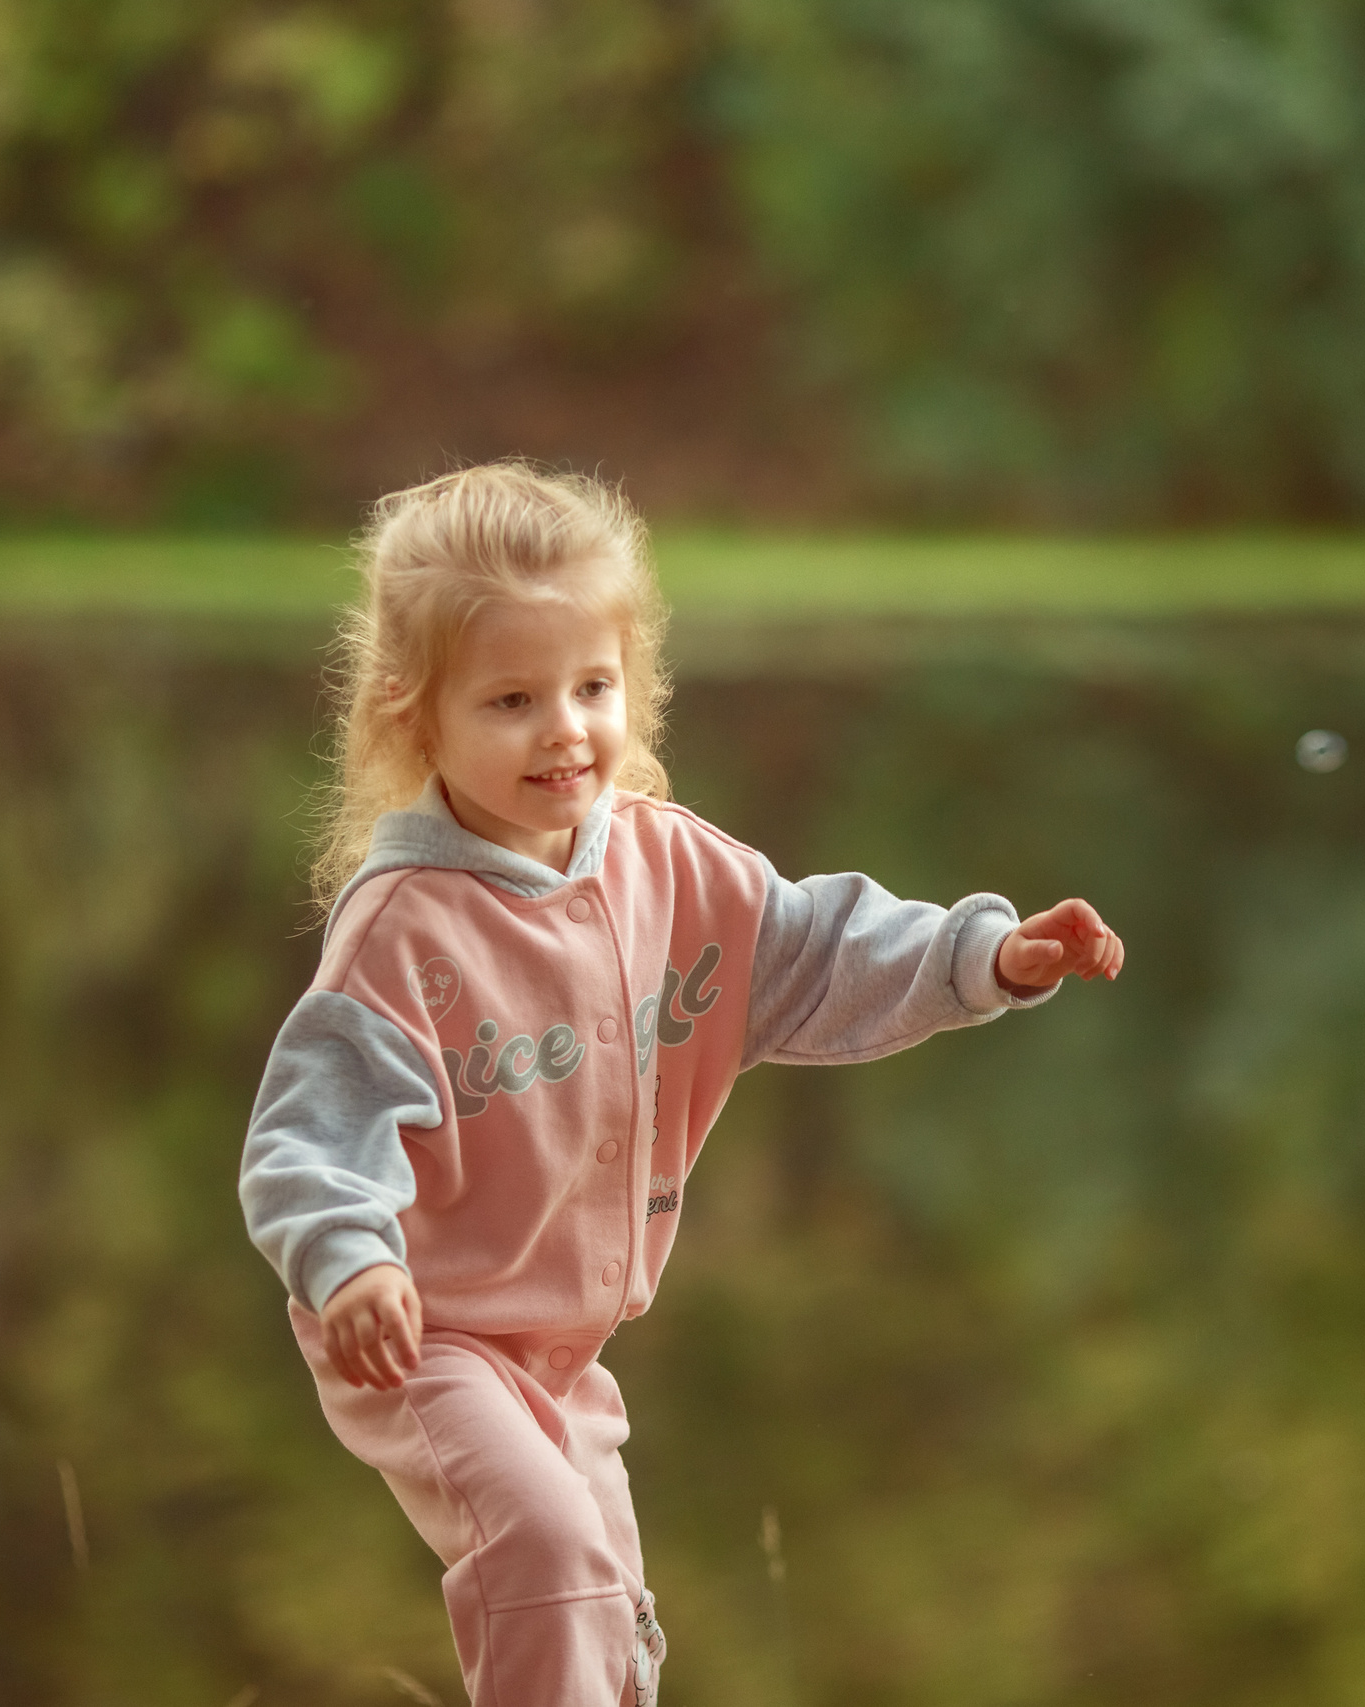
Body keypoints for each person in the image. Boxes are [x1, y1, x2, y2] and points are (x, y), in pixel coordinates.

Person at [238, 462, 1124, 1707]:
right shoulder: (405, 927)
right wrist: (347, 1255)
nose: (565, 729)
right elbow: (307, 1139)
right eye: (510, 699)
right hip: (422, 1335)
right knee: (543, 1548)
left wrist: (985, 954)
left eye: (592, 688)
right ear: (412, 717)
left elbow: (819, 950)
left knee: (608, 1592)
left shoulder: (664, 864)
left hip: (565, 1343)